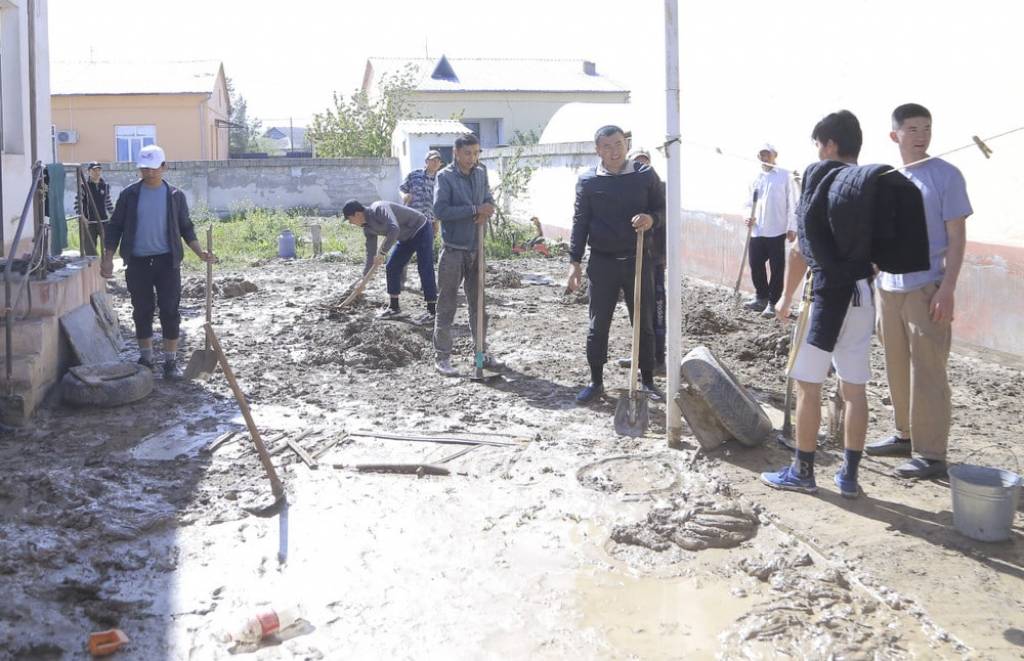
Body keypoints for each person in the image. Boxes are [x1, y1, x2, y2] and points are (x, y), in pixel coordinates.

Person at [762, 111, 872, 498]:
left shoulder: (819, 181)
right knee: (854, 389)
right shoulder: (869, 186)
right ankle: (849, 477)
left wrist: (784, 297)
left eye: (818, 145)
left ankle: (803, 471)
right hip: (862, 293)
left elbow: (799, 251)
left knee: (809, 385)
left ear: (829, 145)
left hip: (823, 295)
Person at [866, 103, 973, 479]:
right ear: (894, 135)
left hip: (926, 287)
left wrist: (948, 288)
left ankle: (931, 454)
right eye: (912, 129)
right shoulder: (887, 178)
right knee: (895, 366)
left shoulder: (946, 175)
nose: (921, 136)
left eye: (926, 128)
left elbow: (957, 236)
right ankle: (904, 435)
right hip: (888, 288)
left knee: (928, 370)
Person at [567, 125, 665, 404]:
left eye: (619, 144)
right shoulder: (589, 181)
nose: (614, 151)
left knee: (643, 322)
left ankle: (647, 380)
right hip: (602, 262)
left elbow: (662, 208)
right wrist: (574, 262)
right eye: (607, 146)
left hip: (638, 259)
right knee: (598, 324)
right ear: (598, 150)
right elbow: (580, 222)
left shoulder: (644, 175)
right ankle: (596, 381)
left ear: (627, 145)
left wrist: (651, 219)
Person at [101, 145, 216, 379]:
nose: (149, 172)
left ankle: (170, 363)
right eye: (144, 168)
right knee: (141, 310)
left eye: (154, 168)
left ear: (164, 167)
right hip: (137, 263)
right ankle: (146, 359)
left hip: (167, 262)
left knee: (170, 311)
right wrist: (108, 258)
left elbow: (186, 227)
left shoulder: (175, 196)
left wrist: (199, 252)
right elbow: (115, 227)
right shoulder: (129, 195)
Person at [432, 133, 501, 377]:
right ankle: (442, 357)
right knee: (447, 304)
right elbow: (440, 210)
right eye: (468, 153)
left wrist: (487, 209)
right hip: (453, 251)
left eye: (476, 153)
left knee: (479, 305)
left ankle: (480, 354)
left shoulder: (481, 173)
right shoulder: (445, 177)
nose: (472, 158)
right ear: (456, 153)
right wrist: (474, 209)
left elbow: (488, 200)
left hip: (476, 248)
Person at [342, 199, 437, 324]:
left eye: (349, 219)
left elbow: (394, 228)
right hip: (405, 238)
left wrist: (382, 252)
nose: (350, 223)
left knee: (424, 267)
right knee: (392, 266)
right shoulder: (367, 229)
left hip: (421, 229)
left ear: (357, 214)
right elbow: (371, 256)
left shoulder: (379, 208)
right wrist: (363, 280)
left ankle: (432, 311)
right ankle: (394, 308)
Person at [742, 144, 798, 317]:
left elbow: (792, 203)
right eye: (761, 154)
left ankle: (774, 302)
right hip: (757, 230)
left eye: (767, 154)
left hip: (777, 230)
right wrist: (747, 216)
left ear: (775, 155)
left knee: (776, 268)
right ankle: (761, 297)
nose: (764, 157)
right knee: (755, 265)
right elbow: (747, 203)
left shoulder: (784, 176)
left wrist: (792, 227)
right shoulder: (755, 177)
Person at [74, 161, 115, 256]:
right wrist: (82, 217)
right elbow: (77, 204)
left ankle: (106, 264)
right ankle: (93, 265)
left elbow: (108, 203)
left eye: (99, 170)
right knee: (90, 250)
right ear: (89, 172)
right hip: (90, 223)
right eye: (94, 170)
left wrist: (114, 216)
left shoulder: (105, 186)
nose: (97, 172)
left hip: (104, 222)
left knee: (108, 248)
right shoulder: (83, 186)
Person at [400, 150, 444, 236]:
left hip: (430, 222)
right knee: (408, 242)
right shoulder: (414, 175)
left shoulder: (442, 179)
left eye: (438, 161)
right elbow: (401, 189)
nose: (436, 163)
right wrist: (404, 196)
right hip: (412, 219)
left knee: (426, 244)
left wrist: (437, 221)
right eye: (433, 160)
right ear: (426, 161)